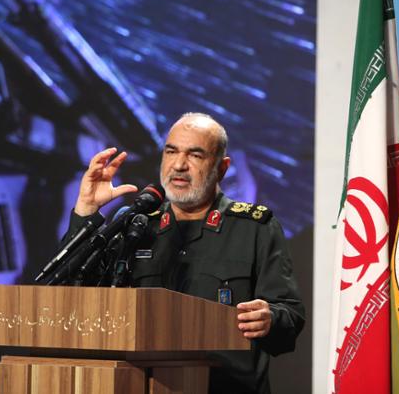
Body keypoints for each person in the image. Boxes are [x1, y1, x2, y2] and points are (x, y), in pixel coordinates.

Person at [66, 112, 305, 393]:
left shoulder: (254, 228)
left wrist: (269, 319)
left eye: (195, 155)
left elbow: (290, 317)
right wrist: (86, 210)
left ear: (221, 167)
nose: (179, 165)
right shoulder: (135, 225)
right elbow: (75, 296)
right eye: (171, 152)